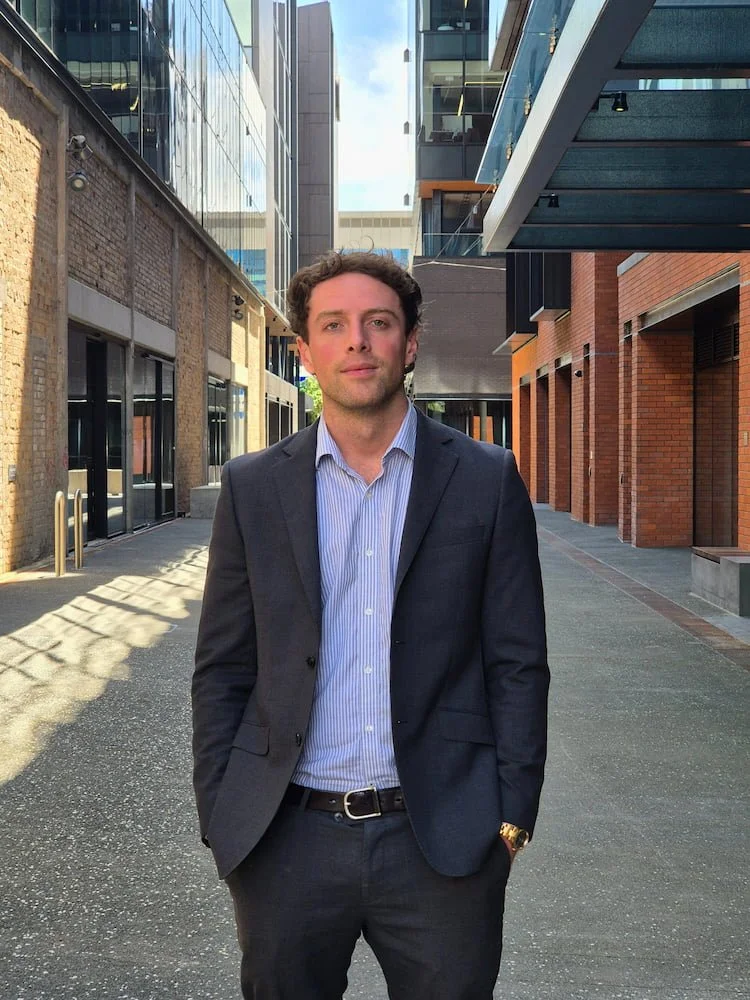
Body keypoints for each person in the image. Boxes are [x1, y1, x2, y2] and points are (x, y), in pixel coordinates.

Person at [192, 251, 549, 1000]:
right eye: (334, 325)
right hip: (284, 837)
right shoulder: (253, 488)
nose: (357, 340)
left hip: (443, 840)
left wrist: (510, 819)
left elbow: (517, 661)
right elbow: (224, 666)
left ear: (409, 343)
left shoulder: (485, 478)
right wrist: (222, 814)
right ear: (305, 352)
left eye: (378, 322)